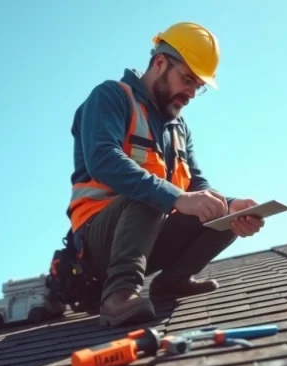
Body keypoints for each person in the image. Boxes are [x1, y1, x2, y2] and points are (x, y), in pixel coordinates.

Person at [66, 22, 265, 327]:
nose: (191, 93)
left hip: (148, 237)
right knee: (150, 195)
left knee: (218, 209)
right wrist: (175, 197)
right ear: (159, 63)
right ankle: (119, 294)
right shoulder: (111, 97)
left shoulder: (179, 127)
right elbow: (103, 160)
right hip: (98, 243)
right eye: (187, 79)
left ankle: (173, 280)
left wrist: (233, 205)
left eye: (197, 86)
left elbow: (196, 185)